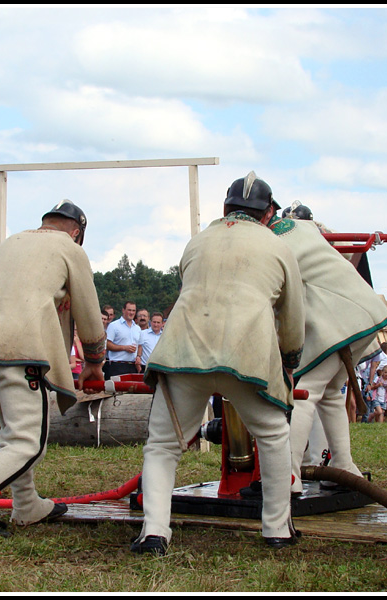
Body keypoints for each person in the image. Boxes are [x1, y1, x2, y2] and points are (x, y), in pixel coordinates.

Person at [132, 172, 305, 555]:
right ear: (267, 214)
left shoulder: (197, 242)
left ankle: (155, 533)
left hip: (183, 351)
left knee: (162, 446)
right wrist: (289, 364)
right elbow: (292, 319)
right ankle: (276, 529)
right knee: (274, 436)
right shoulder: (278, 247)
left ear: (226, 208)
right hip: (248, 354)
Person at [0, 199, 106, 537]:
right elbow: (89, 313)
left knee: (15, 433)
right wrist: (93, 362)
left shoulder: (12, 242)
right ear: (76, 232)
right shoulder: (69, 248)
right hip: (19, 349)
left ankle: (27, 505)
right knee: (26, 442)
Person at [266, 208, 387, 494]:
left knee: (305, 392)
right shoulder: (305, 227)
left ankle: (289, 475)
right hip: (365, 312)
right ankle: (343, 466)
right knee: (332, 393)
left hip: (341, 320)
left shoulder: (270, 241)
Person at [104, 301, 142, 376]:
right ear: (123, 310)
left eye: (133, 310)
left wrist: (138, 356)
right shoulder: (114, 326)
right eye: (129, 310)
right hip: (117, 365)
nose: (131, 313)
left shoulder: (137, 328)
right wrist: (124, 348)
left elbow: (140, 345)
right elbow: (107, 344)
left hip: (132, 365)